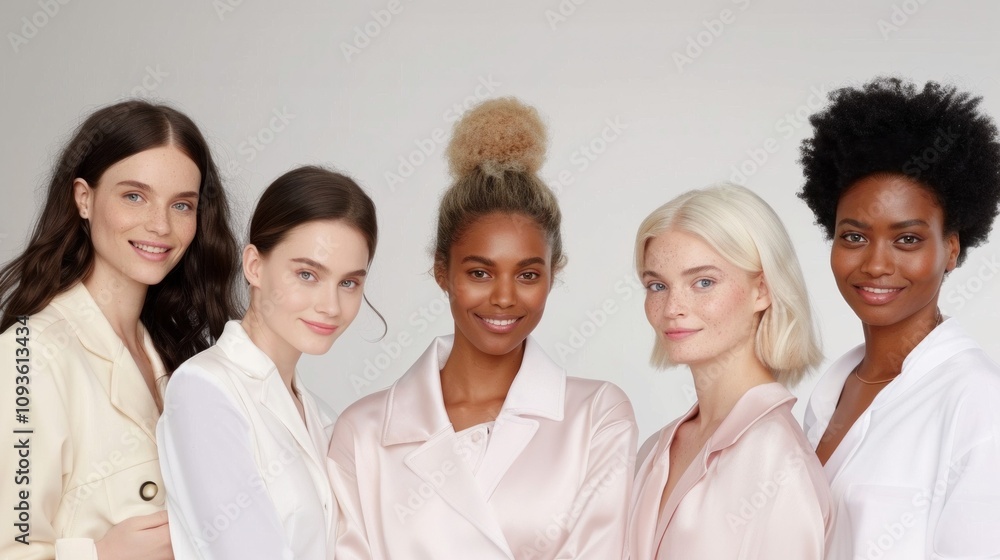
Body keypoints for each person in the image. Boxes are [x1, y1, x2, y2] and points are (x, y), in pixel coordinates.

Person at [328, 97, 638, 559]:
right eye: (479, 272)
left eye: (528, 274)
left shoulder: (596, 416)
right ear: (442, 272)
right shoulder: (364, 431)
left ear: (553, 275)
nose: (505, 297)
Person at [0, 100, 239, 560]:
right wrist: (98, 555)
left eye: (181, 205)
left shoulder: (178, 358)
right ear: (84, 198)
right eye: (134, 196)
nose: (160, 225)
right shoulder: (28, 357)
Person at [798, 76, 1000, 559]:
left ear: (952, 249)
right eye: (854, 236)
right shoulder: (830, 393)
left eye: (907, 239)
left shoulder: (978, 402)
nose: (875, 264)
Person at [156, 166, 379, 560]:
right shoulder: (204, 391)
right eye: (307, 274)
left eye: (348, 283)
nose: (330, 306)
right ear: (254, 266)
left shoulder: (320, 417)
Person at [625, 184, 832, 559]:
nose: (672, 307)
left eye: (703, 282)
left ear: (762, 290)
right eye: (657, 285)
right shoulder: (655, 449)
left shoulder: (778, 460)